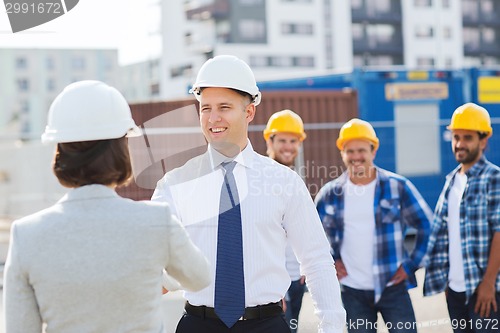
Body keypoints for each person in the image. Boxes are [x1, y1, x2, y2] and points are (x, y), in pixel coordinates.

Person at [152, 55, 346, 333]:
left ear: (249, 112)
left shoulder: (284, 182)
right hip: (198, 325)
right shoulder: (176, 183)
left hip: (266, 325)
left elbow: (316, 260)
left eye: (224, 107)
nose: (213, 118)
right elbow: (150, 259)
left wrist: (332, 328)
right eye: (205, 108)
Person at [3, 80, 210, 333]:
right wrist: (150, 272)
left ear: (60, 152)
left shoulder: (27, 234)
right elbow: (199, 277)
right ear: (121, 150)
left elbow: (19, 328)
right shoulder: (156, 221)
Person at [315, 118, 432, 333]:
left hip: (393, 288)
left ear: (373, 151)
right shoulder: (330, 194)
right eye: (350, 151)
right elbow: (311, 236)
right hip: (352, 292)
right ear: (342, 153)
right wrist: (332, 260)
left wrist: (410, 265)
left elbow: (427, 226)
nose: (356, 157)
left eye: (362, 150)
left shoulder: (397, 187)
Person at [424, 103, 500, 333]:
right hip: (456, 291)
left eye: (467, 137)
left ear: (483, 140)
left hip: (485, 290)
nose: (459, 144)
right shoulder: (452, 181)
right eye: (456, 137)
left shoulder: (493, 178)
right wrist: (448, 282)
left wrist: (488, 284)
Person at [263, 109, 308, 332]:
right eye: (282, 140)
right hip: (271, 281)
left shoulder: (295, 180)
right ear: (269, 141)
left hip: (295, 279)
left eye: (293, 141)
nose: (288, 146)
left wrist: (303, 267)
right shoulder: (260, 179)